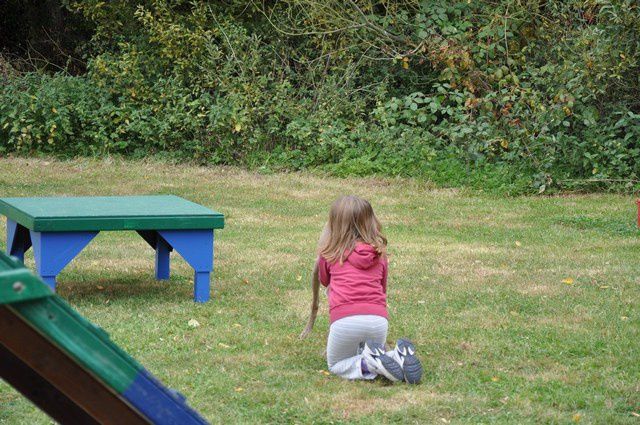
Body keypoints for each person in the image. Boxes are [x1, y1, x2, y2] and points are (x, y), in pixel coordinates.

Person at [316, 195, 422, 383]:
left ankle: (369, 364)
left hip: (344, 321)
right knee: (361, 349)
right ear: (370, 222)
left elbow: (324, 281)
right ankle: (395, 357)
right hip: (378, 320)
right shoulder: (379, 255)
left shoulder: (330, 253)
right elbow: (382, 288)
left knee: (336, 364)